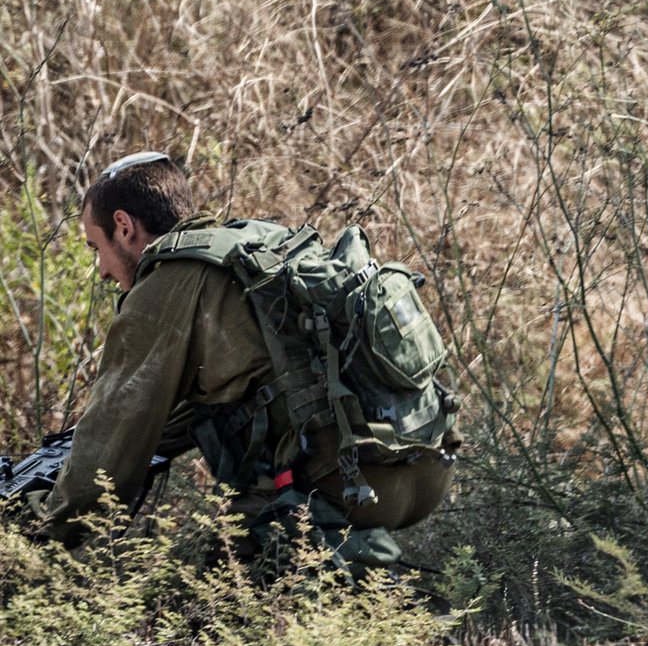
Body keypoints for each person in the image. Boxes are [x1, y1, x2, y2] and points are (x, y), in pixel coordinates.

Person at [23, 150, 453, 572]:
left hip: (347, 484)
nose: (100, 270)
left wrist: (35, 536)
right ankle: (365, 576)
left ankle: (379, 596)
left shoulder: (161, 290)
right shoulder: (252, 243)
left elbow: (110, 445)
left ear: (123, 227)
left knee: (219, 596)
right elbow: (186, 415)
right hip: (420, 466)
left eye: (95, 247)